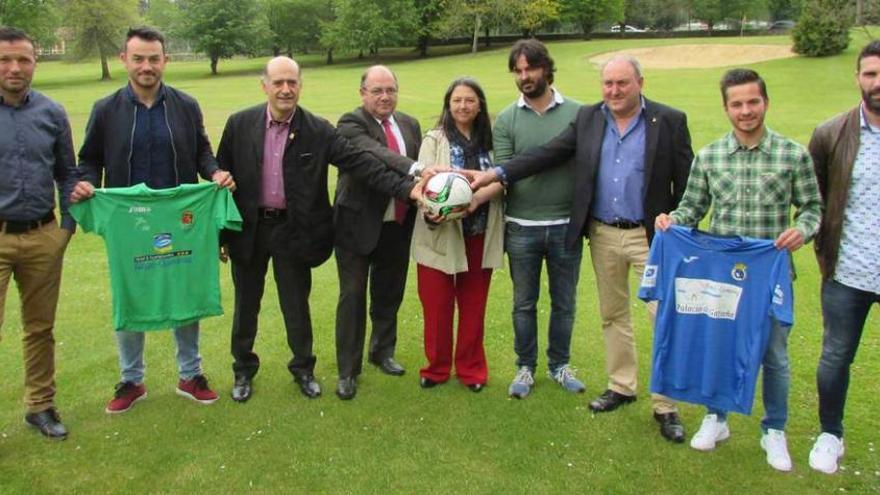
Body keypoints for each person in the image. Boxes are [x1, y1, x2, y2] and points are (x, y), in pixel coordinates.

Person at [469, 56, 694, 442]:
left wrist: (679, 220)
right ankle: (622, 387)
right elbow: (548, 153)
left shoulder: (669, 120)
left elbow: (688, 181)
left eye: (622, 83)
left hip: (651, 238)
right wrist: (497, 173)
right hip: (603, 233)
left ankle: (666, 405)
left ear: (640, 81)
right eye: (608, 83)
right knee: (613, 316)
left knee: (664, 317)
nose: (614, 91)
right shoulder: (591, 118)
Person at [217, 57, 420, 402]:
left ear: (300, 85)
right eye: (278, 82)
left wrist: (407, 189)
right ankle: (243, 371)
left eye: (292, 83)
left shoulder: (318, 129)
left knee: (297, 306)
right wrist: (221, 234)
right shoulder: (239, 124)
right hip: (249, 231)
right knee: (246, 305)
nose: (285, 89)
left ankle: (303, 369)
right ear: (264, 85)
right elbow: (221, 179)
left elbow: (361, 163)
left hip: (294, 231)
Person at [655, 68, 821, 471]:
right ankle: (717, 418)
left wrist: (801, 230)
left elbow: (814, 208)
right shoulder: (710, 157)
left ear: (765, 102)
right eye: (737, 104)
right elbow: (692, 208)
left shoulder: (792, 154)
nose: (745, 111)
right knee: (721, 347)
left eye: (753, 102)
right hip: (722, 279)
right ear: (726, 107)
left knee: (775, 356)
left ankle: (774, 429)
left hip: (769, 278)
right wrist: (671, 221)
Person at [71, 26, 235, 414]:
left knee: (184, 288)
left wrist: (214, 174)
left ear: (165, 60)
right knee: (131, 290)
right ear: (124, 60)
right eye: (139, 58)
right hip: (131, 224)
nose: (147, 66)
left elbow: (202, 154)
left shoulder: (185, 105)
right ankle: (131, 379)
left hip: (180, 221)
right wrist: (87, 184)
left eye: (154, 58)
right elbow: (89, 159)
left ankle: (190, 374)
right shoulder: (106, 109)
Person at [493, 40, 585, 399]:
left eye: (530, 68)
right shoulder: (506, 119)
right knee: (523, 303)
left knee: (565, 303)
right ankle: (525, 367)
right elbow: (505, 173)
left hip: (565, 226)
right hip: (521, 227)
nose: (524, 76)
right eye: (517, 70)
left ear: (546, 68)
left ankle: (559, 365)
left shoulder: (579, 114)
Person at [807, 40, 880, 474]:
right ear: (857, 78)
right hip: (848, 272)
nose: (877, 82)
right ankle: (829, 434)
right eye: (870, 74)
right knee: (835, 357)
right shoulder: (830, 133)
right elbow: (812, 199)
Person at [0, 26, 77, 439]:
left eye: (23, 59)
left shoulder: (51, 112)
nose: (15, 68)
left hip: (43, 234)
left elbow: (68, 174)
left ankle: (40, 406)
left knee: (40, 328)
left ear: (34, 62)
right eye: (5, 60)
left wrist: (65, 228)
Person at [332, 65, 421, 400]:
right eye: (377, 90)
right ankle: (347, 370)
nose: (385, 97)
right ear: (362, 93)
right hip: (357, 224)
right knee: (352, 297)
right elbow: (375, 156)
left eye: (391, 90)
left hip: (397, 224)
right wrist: (414, 170)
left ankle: (382, 351)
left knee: (389, 292)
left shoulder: (410, 124)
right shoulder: (350, 123)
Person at [414, 77, 504, 392]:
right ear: (448, 105)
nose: (463, 106)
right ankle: (436, 368)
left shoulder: (492, 139)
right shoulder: (434, 138)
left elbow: (504, 179)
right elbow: (422, 182)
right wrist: (430, 207)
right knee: (436, 306)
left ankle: (471, 369)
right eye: (457, 100)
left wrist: (477, 198)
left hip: (479, 234)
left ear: (480, 105)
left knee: (473, 306)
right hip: (439, 236)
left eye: (469, 100)